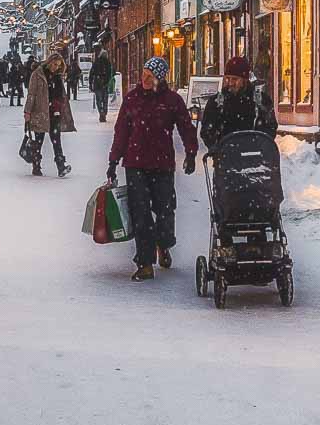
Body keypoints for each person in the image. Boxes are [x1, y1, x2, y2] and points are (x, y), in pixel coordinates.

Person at [108, 57, 199, 281]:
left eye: (150, 75)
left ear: (160, 78)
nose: (145, 79)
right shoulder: (132, 100)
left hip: (162, 164)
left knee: (165, 209)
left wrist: (191, 152)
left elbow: (186, 127)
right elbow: (121, 132)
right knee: (141, 214)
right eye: (144, 74)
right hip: (135, 164)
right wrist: (113, 161)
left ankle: (164, 243)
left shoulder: (172, 100)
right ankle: (145, 263)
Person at [199, 54, 278, 153]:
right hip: (226, 158)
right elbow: (207, 129)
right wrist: (216, 146)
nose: (230, 83)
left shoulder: (261, 101)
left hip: (255, 157)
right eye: (228, 79)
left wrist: (259, 145)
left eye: (235, 79)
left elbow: (270, 127)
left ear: (244, 80)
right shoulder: (216, 102)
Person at [22, 49, 75, 177]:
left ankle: (61, 166)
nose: (55, 67)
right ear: (49, 62)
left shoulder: (57, 77)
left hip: (54, 112)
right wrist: (27, 111)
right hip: (40, 112)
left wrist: (60, 107)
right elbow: (31, 94)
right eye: (54, 64)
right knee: (38, 140)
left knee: (56, 140)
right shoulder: (38, 74)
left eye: (58, 65)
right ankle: (36, 165)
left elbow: (60, 94)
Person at [89, 48, 116, 122]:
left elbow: (91, 73)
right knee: (105, 100)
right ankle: (104, 112)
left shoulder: (96, 62)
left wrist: (90, 83)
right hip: (105, 84)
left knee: (98, 99)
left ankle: (101, 111)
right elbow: (111, 73)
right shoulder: (108, 62)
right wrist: (107, 82)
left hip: (97, 84)